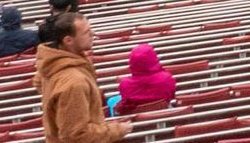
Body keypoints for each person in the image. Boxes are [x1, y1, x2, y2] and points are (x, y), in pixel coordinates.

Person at [34, 11, 129, 143]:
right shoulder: (74, 82)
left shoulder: (52, 66)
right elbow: (76, 135)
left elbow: (39, 83)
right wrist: (117, 130)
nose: (93, 34)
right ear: (68, 40)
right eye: (86, 32)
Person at [116, 43, 178, 111]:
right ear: (153, 58)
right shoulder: (166, 78)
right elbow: (171, 96)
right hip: (165, 116)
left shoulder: (125, 84)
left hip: (136, 120)